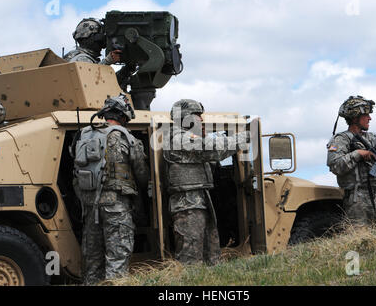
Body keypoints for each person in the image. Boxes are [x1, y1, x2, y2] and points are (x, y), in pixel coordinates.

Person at [73, 94, 149, 284]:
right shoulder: (124, 137)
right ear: (123, 116)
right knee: (117, 260)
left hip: (90, 208)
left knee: (92, 262)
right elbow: (141, 173)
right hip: (116, 207)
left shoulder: (84, 135)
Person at [162, 99, 249, 265]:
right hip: (187, 205)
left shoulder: (187, 137)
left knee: (211, 256)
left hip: (198, 201)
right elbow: (213, 149)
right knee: (191, 259)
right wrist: (245, 136)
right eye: (197, 115)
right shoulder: (177, 137)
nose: (201, 119)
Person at [326, 95, 376, 228]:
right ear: (355, 117)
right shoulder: (341, 139)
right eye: (366, 115)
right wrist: (358, 153)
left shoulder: (374, 138)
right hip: (356, 198)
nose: (370, 118)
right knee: (360, 238)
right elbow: (335, 165)